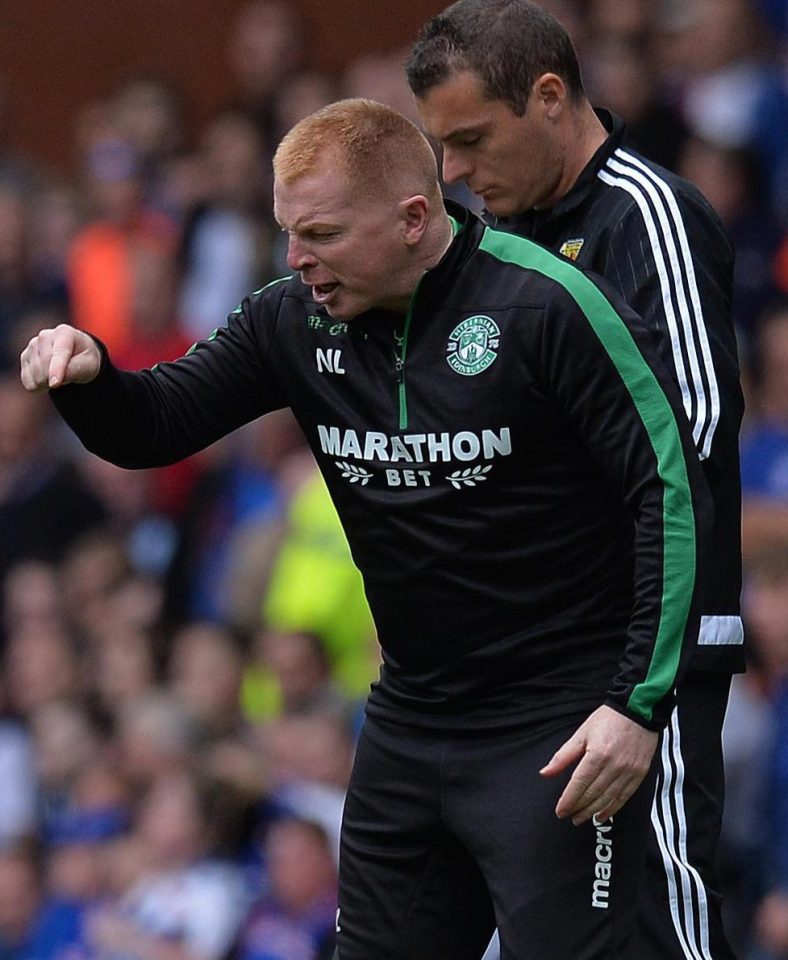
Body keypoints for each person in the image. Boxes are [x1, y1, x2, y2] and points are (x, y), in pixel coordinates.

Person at [21, 98, 710, 959]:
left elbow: (671, 498)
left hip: (560, 733)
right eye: (286, 233)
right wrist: (90, 379)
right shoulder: (294, 317)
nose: (297, 260)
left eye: (321, 234)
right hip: (411, 725)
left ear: (415, 218)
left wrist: (635, 704)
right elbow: (158, 423)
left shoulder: (549, 307)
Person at [407, 3, 744, 958]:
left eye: (472, 139)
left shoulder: (650, 214)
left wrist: (643, 690)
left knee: (660, 925)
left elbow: (690, 440)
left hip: (648, 660)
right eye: (444, 150)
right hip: (531, 667)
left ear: (550, 97)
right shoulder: (489, 244)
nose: (460, 173)